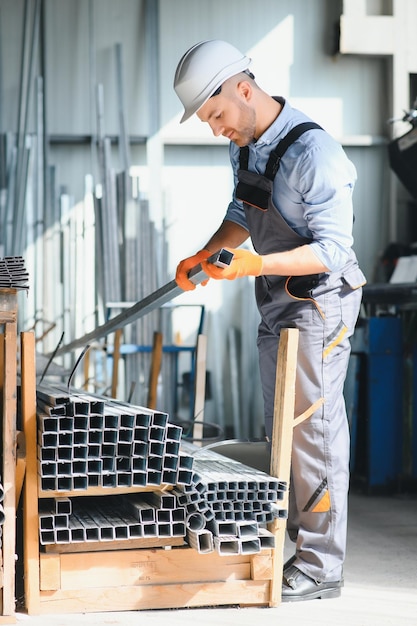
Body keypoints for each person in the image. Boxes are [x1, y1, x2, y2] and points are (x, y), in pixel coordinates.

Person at [173, 39, 366, 602]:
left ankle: (323, 566)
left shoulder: (315, 154)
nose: (215, 129)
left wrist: (256, 263)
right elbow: (243, 209)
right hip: (277, 301)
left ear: (243, 87)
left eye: (216, 115)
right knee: (280, 430)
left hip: (319, 304)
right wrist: (207, 255)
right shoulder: (247, 146)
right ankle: (298, 548)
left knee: (314, 431)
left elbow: (333, 250)